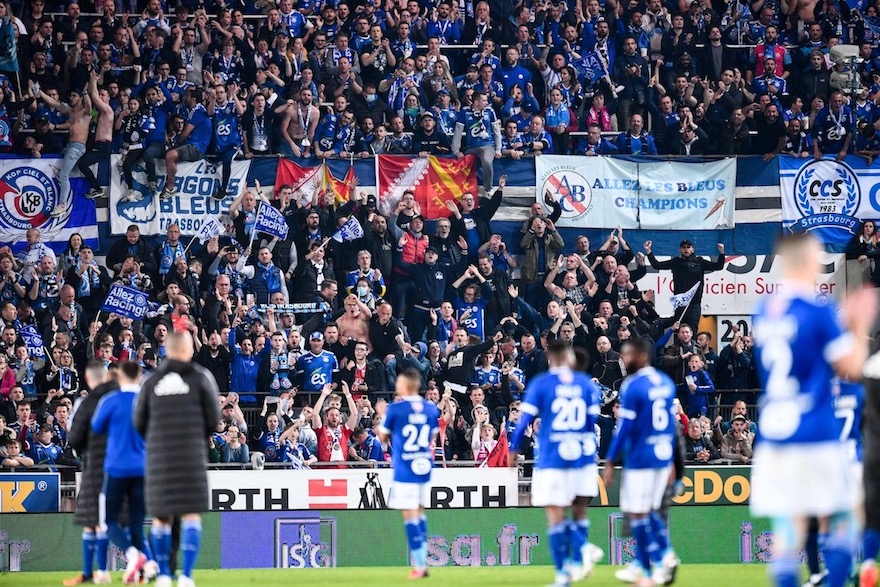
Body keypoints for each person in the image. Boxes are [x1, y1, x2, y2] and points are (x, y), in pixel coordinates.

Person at [751, 234, 874, 587]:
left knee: (788, 529)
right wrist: (858, 324)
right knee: (846, 516)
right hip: (814, 430)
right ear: (807, 261)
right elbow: (852, 367)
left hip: (774, 433)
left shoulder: (764, 309)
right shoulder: (817, 311)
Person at [510, 341, 604, 587]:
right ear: (570, 358)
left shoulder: (541, 383)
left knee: (555, 515)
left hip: (553, 457)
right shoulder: (586, 385)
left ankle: (567, 569)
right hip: (582, 458)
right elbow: (590, 423)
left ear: (550, 358)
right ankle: (576, 562)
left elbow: (523, 422)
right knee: (577, 509)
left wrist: (513, 448)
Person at [134, 332, 221, 587]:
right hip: (191, 457)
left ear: (167, 351)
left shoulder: (150, 382)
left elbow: (138, 423)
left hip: (159, 458)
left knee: (161, 517)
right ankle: (186, 576)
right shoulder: (202, 377)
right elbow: (214, 419)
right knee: (191, 515)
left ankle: (163, 575)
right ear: (188, 350)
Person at [603, 338, 680, 586]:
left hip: (640, 458)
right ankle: (643, 565)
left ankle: (660, 561)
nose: (624, 359)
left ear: (641, 356)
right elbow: (670, 426)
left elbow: (624, 428)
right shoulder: (666, 383)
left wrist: (611, 460)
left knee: (637, 513)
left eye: (627, 354)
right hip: (661, 456)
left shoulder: (633, 385)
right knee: (649, 512)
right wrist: (670, 460)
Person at [90, 360, 152, 585]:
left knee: (109, 521)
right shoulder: (148, 402)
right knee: (137, 522)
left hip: (116, 467)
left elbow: (96, 427)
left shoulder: (110, 401)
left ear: (121, 377)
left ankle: (133, 555)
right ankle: (143, 570)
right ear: (139, 377)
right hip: (143, 468)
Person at [377, 369, 440, 579]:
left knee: (409, 515)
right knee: (421, 512)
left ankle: (421, 566)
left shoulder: (396, 409)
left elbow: (383, 440)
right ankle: (424, 560)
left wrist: (383, 416)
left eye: (399, 383)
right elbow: (432, 436)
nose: (396, 385)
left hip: (405, 468)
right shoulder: (431, 409)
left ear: (406, 385)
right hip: (424, 465)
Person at [64, 361, 116, 586]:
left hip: (95, 465)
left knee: (91, 519)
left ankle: (90, 572)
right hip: (119, 466)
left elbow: (74, 438)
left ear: (88, 378)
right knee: (122, 521)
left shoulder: (86, 404)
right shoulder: (117, 399)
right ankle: (106, 570)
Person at [33, 82, 91, 218]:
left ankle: (62, 205)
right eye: (70, 95)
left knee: (64, 174)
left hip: (77, 146)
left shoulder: (85, 113)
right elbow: (54, 104)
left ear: (80, 98)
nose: (71, 98)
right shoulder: (71, 112)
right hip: (69, 146)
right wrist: (40, 92)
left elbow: (89, 105)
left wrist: (86, 92)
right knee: (57, 169)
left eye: (74, 96)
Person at [644, 239, 726, 332]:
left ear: (692, 249)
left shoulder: (699, 261)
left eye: (688, 247)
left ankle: (693, 346)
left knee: (692, 330)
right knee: (678, 329)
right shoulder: (676, 262)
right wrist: (648, 251)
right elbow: (656, 265)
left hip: (694, 303)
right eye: (683, 247)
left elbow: (719, 266)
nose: (686, 249)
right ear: (680, 250)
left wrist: (722, 252)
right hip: (680, 302)